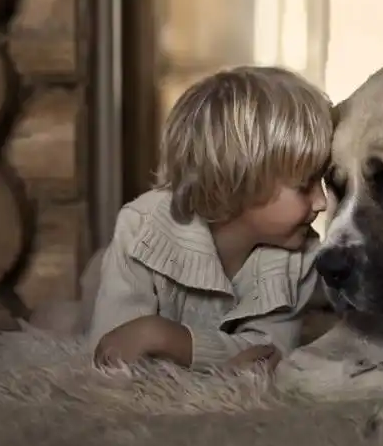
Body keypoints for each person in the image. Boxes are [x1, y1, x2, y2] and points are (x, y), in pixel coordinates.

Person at [83, 65, 332, 373]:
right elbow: (113, 352)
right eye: (305, 186)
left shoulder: (301, 256)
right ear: (241, 181)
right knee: (77, 304)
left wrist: (162, 336)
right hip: (108, 273)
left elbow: (268, 355)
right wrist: (224, 362)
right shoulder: (141, 227)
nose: (322, 202)